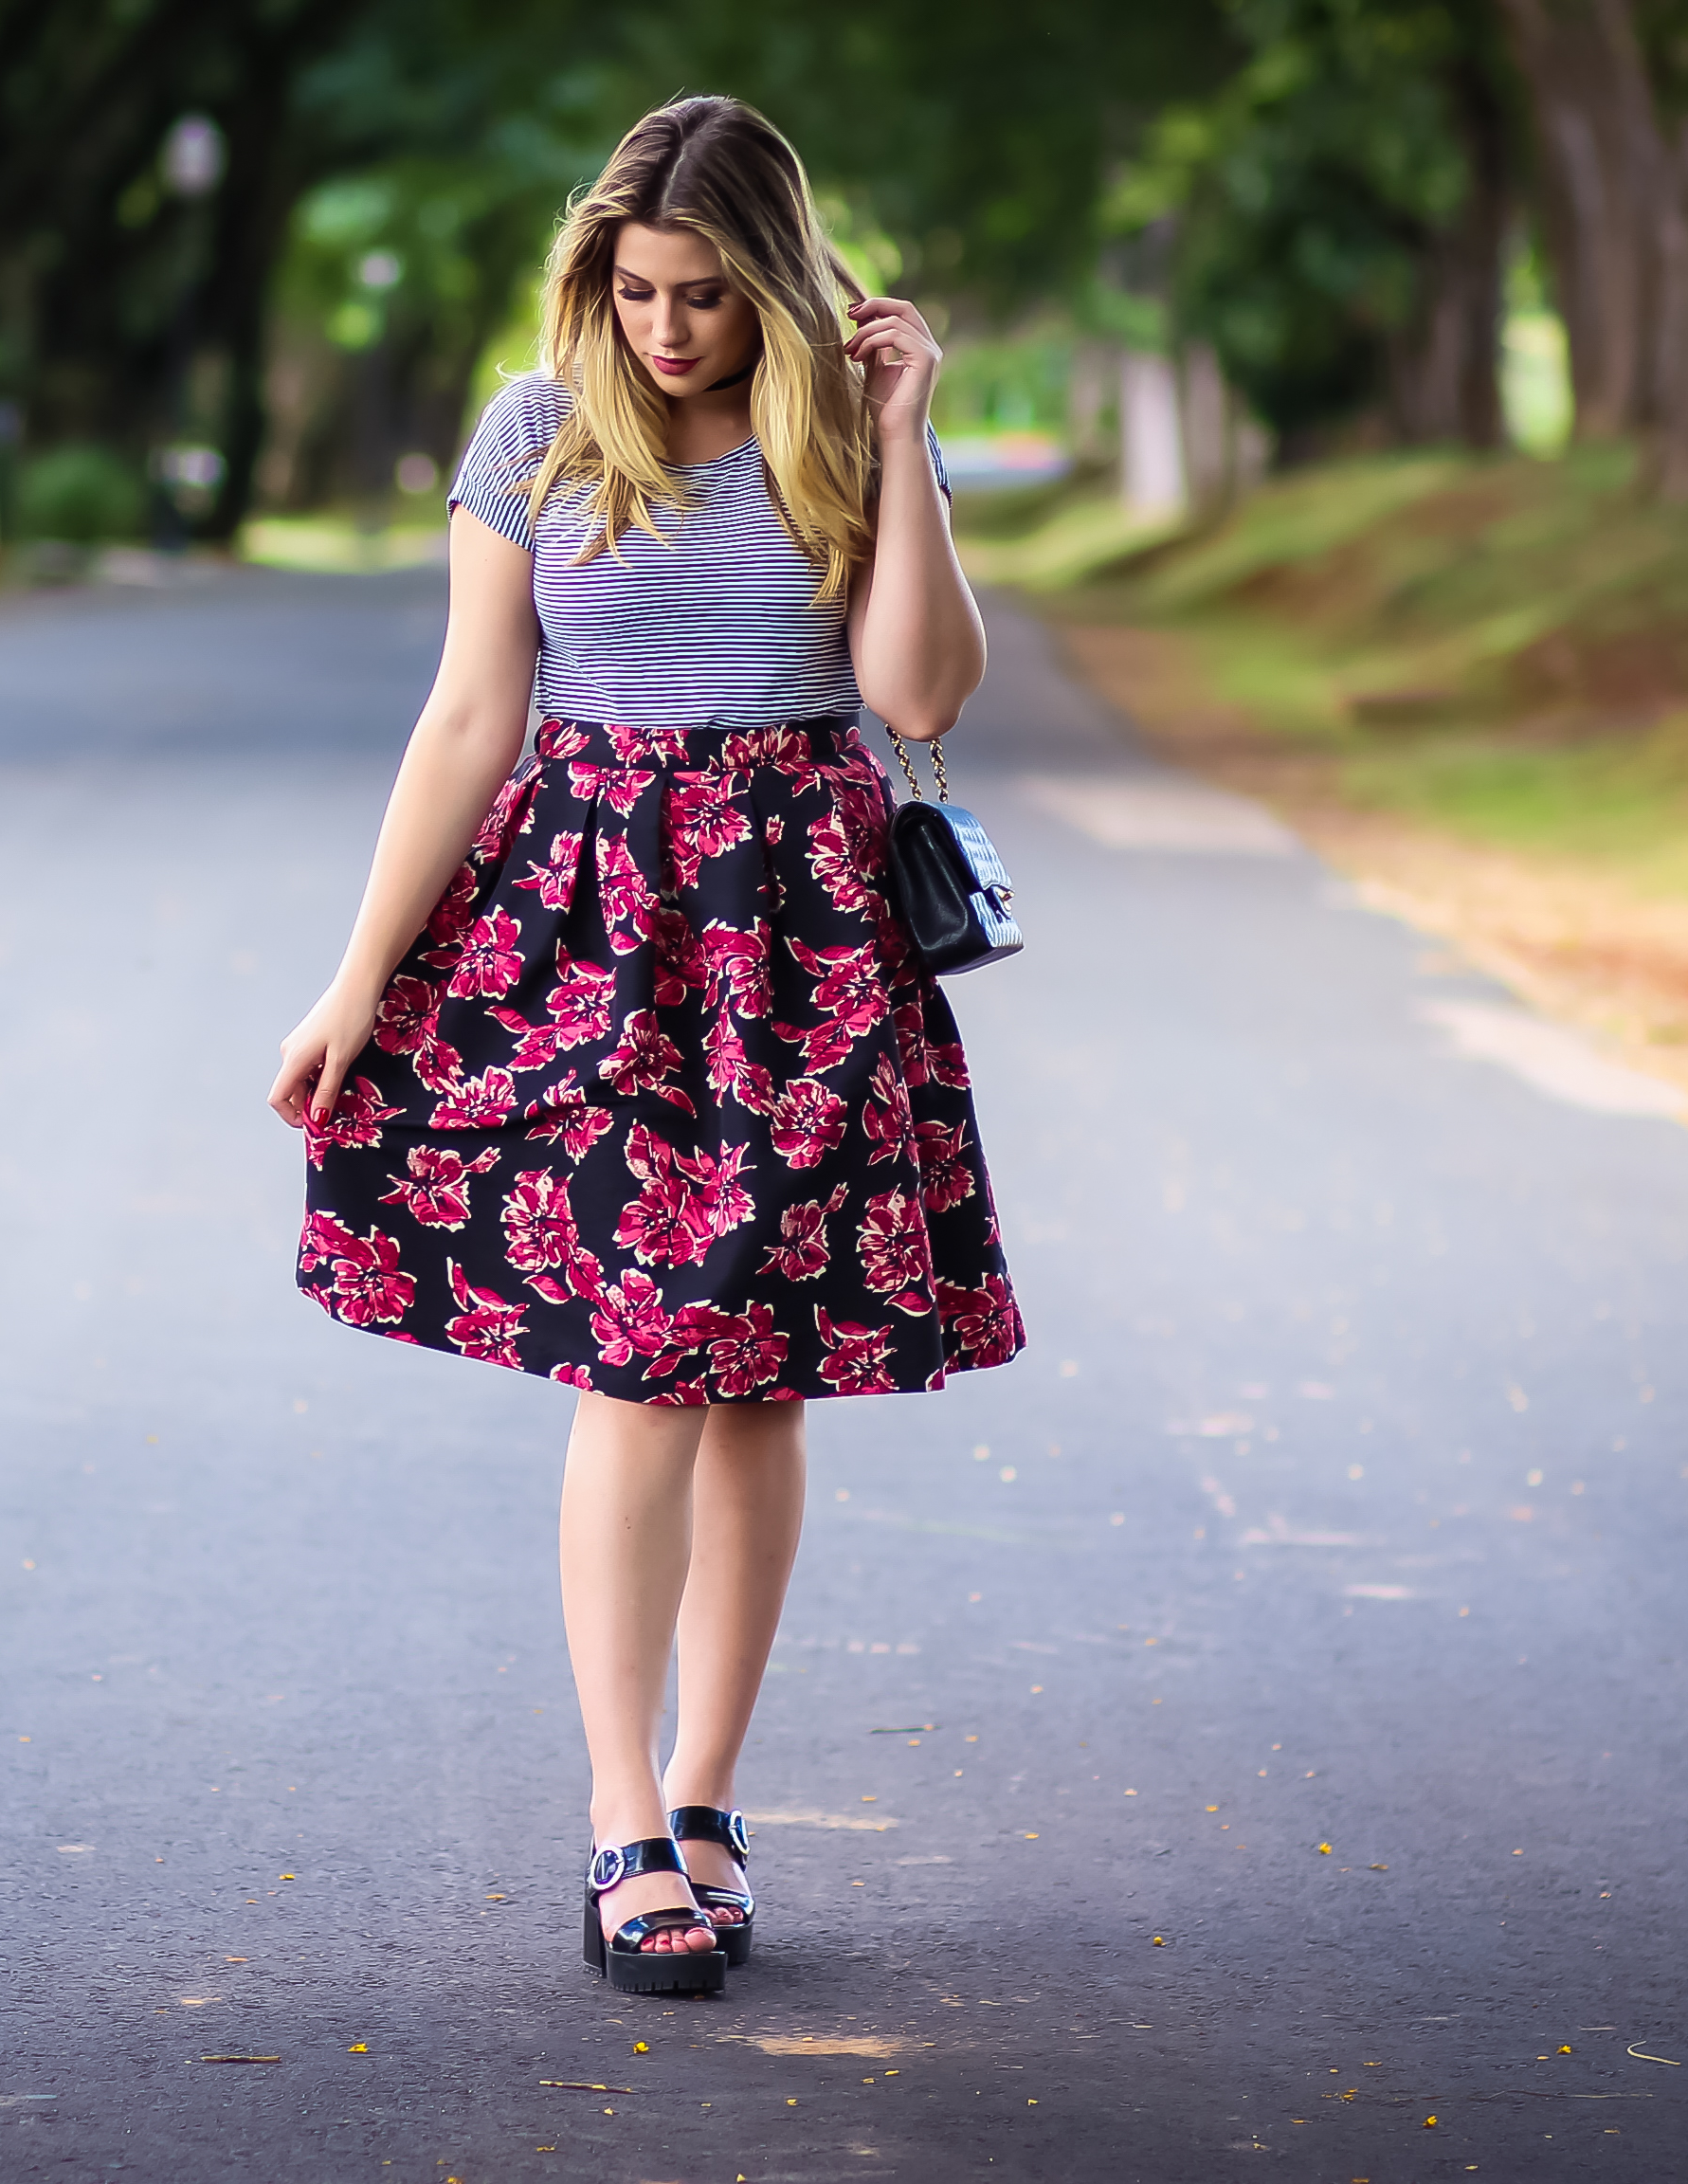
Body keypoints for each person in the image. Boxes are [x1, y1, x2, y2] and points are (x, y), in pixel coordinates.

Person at [265, 93, 1022, 1997]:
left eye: (697, 294)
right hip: (591, 943)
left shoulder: (840, 435)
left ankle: (703, 1799)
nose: (663, 327)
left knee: (755, 1381)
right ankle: (618, 1819)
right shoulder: (537, 433)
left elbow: (921, 692)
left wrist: (908, 438)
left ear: (769, 284)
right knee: (644, 1360)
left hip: (805, 952)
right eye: (632, 289)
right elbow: (465, 719)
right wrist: (359, 975)